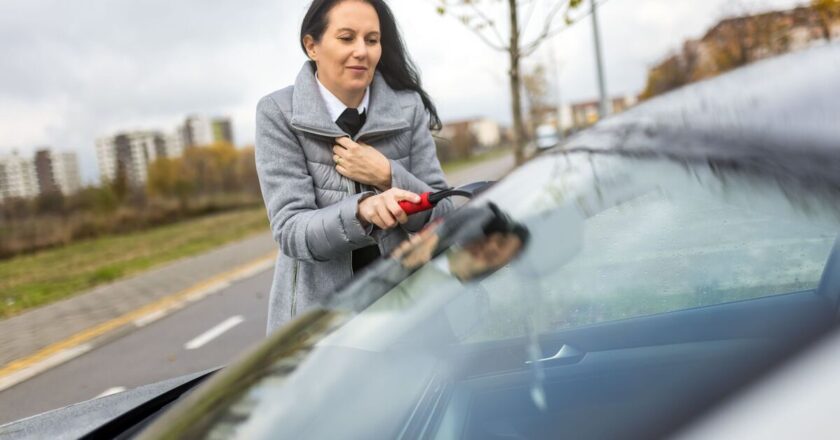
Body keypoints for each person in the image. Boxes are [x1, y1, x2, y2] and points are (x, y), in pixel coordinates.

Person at [255, 0, 453, 334]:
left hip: (410, 316)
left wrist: (387, 174)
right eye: (347, 38)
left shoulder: (409, 108)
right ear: (312, 45)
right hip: (321, 329)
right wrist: (363, 211)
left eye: (371, 40)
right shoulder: (277, 113)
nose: (361, 51)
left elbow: (444, 212)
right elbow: (291, 231)